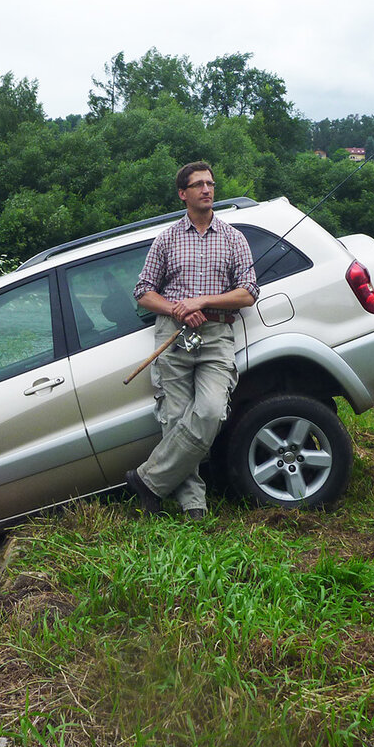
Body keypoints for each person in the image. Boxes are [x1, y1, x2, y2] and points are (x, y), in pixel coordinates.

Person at [125, 161, 259, 519]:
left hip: (216, 335)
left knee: (211, 411)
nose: (207, 189)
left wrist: (203, 301)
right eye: (198, 184)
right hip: (173, 335)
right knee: (175, 416)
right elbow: (142, 292)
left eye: (211, 184)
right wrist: (177, 309)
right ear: (183, 194)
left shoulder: (233, 238)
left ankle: (148, 480)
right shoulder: (167, 238)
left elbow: (248, 293)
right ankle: (193, 504)